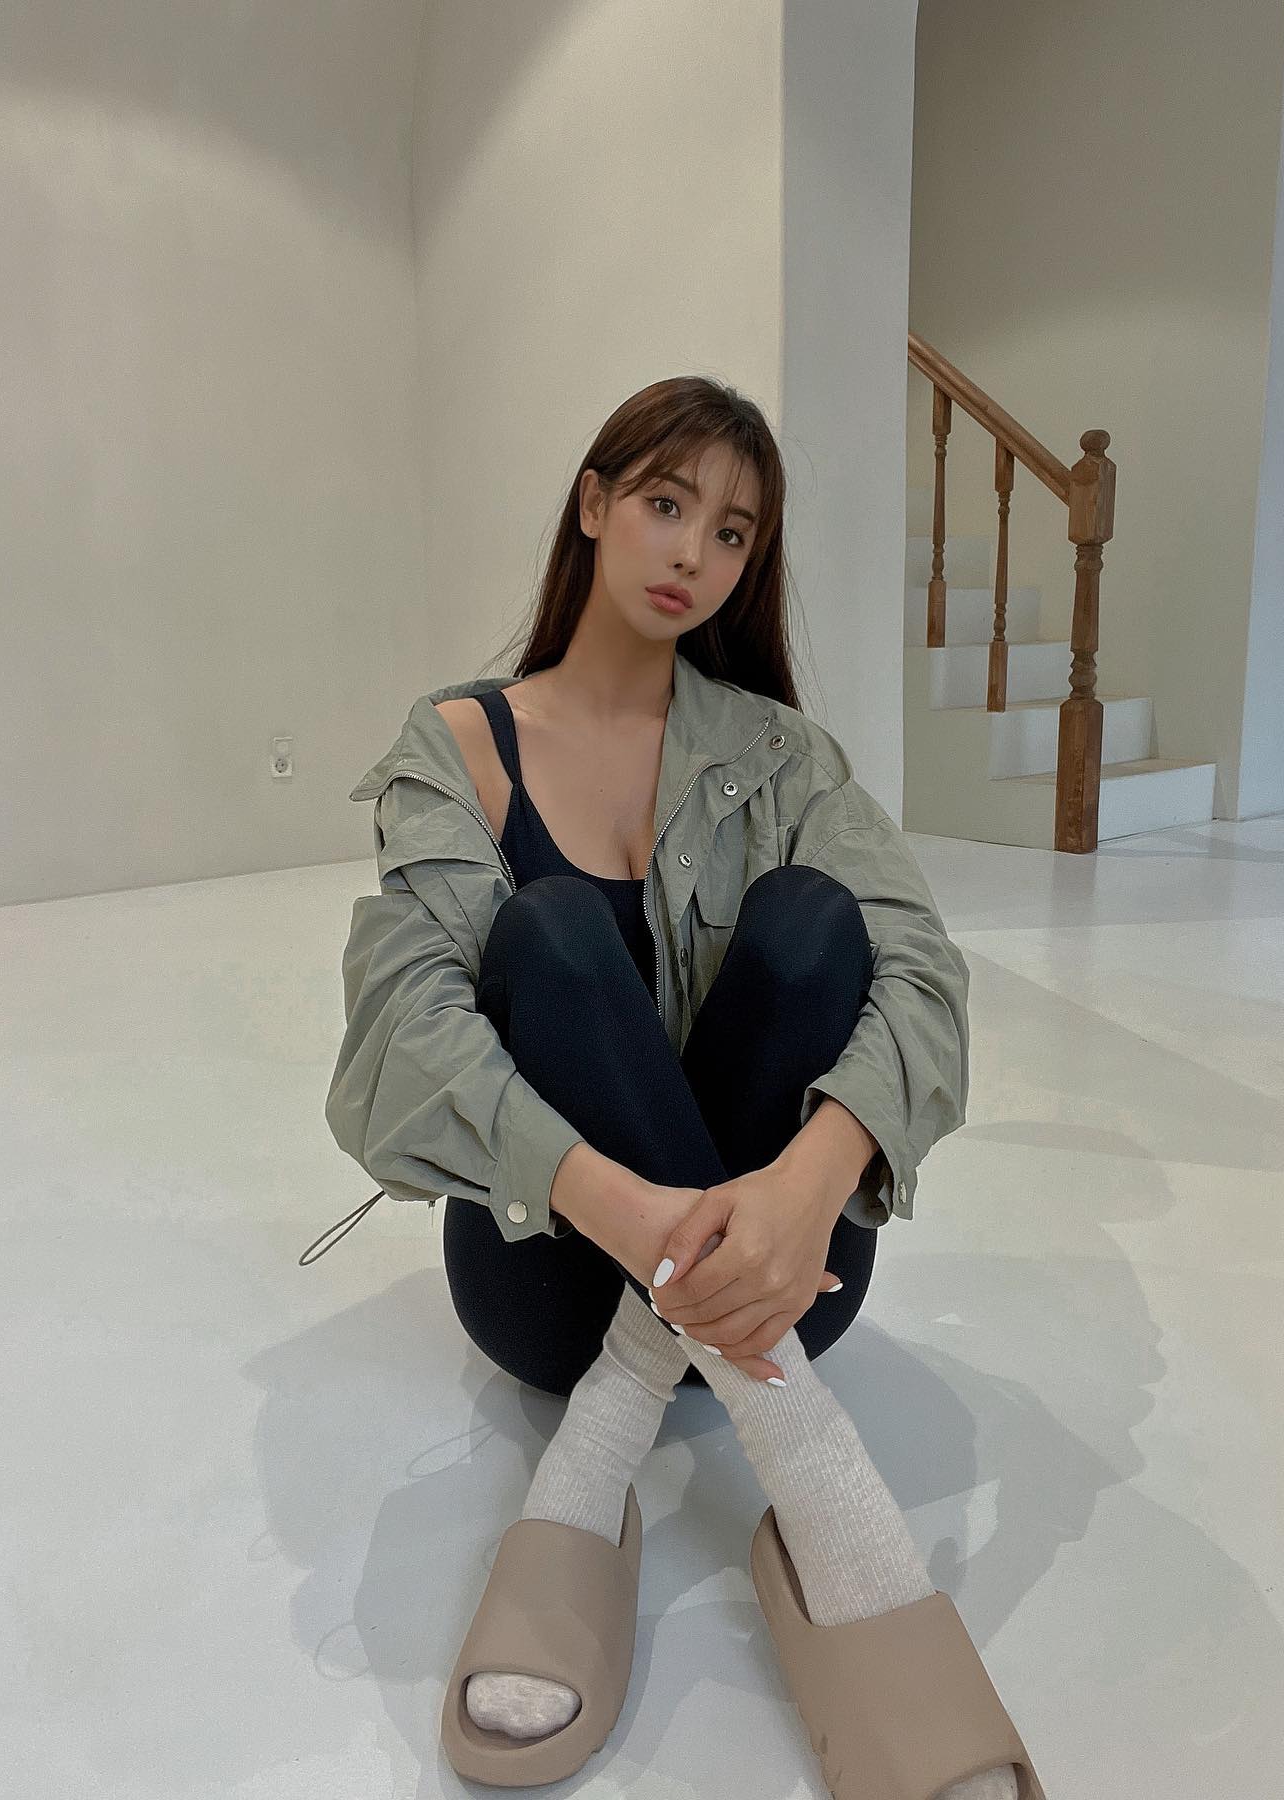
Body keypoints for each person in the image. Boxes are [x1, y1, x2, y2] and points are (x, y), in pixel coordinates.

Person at [313, 377, 1037, 1799]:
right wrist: (636, 1217)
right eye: (664, 502)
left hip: (790, 1264)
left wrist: (812, 1181)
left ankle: (618, 1443)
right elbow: (401, 1028)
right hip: (548, 1279)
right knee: (548, 937)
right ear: (593, 504)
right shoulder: (458, 748)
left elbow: (924, 975)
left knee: (818, 922)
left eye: (733, 531)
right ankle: (802, 1488)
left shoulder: (781, 755)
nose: (693, 552)